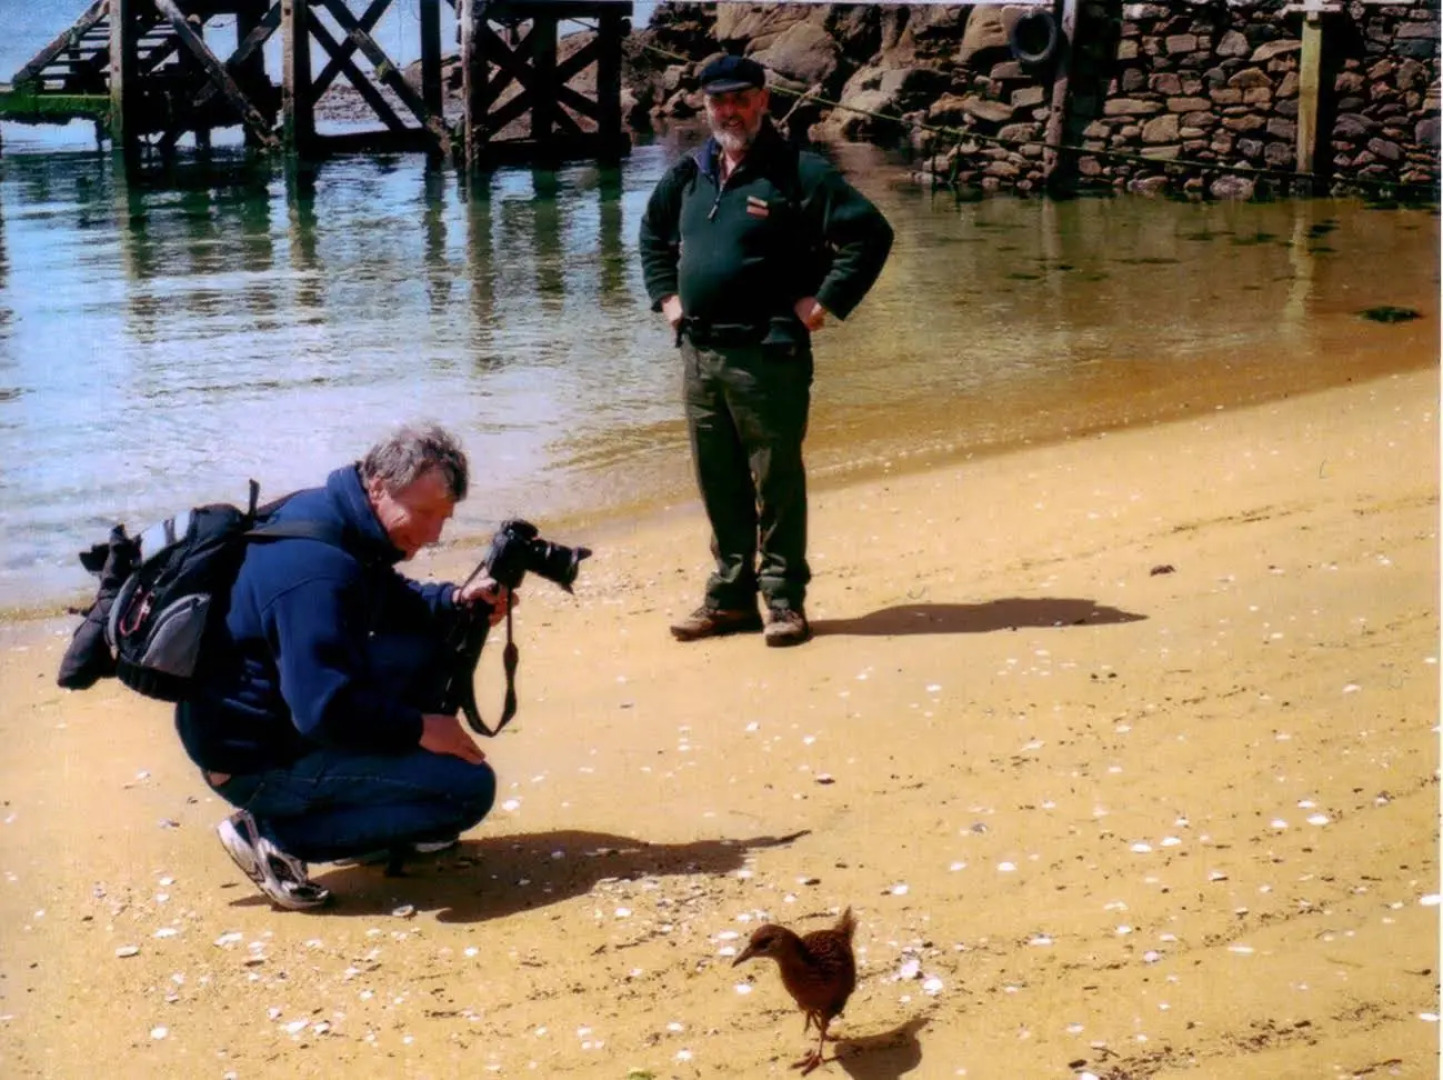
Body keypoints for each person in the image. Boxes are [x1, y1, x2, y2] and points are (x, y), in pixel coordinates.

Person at [176, 423, 514, 910]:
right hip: (253, 758)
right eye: (422, 513)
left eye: (444, 517)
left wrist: (454, 601)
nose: (434, 533)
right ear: (377, 485)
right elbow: (322, 712)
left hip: (261, 715)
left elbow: (383, 597)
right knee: (468, 792)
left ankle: (383, 815)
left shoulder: (336, 517)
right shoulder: (317, 566)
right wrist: (419, 728)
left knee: (431, 642)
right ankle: (274, 836)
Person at [638, 54, 893, 648]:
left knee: (775, 481)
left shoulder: (796, 172)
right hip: (699, 355)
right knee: (718, 480)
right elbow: (652, 235)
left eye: (740, 99)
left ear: (763, 102)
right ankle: (730, 598)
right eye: (718, 101)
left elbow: (869, 234)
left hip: (768, 354)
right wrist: (667, 299)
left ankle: (783, 601)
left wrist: (826, 301)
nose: (728, 111)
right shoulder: (690, 172)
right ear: (705, 106)